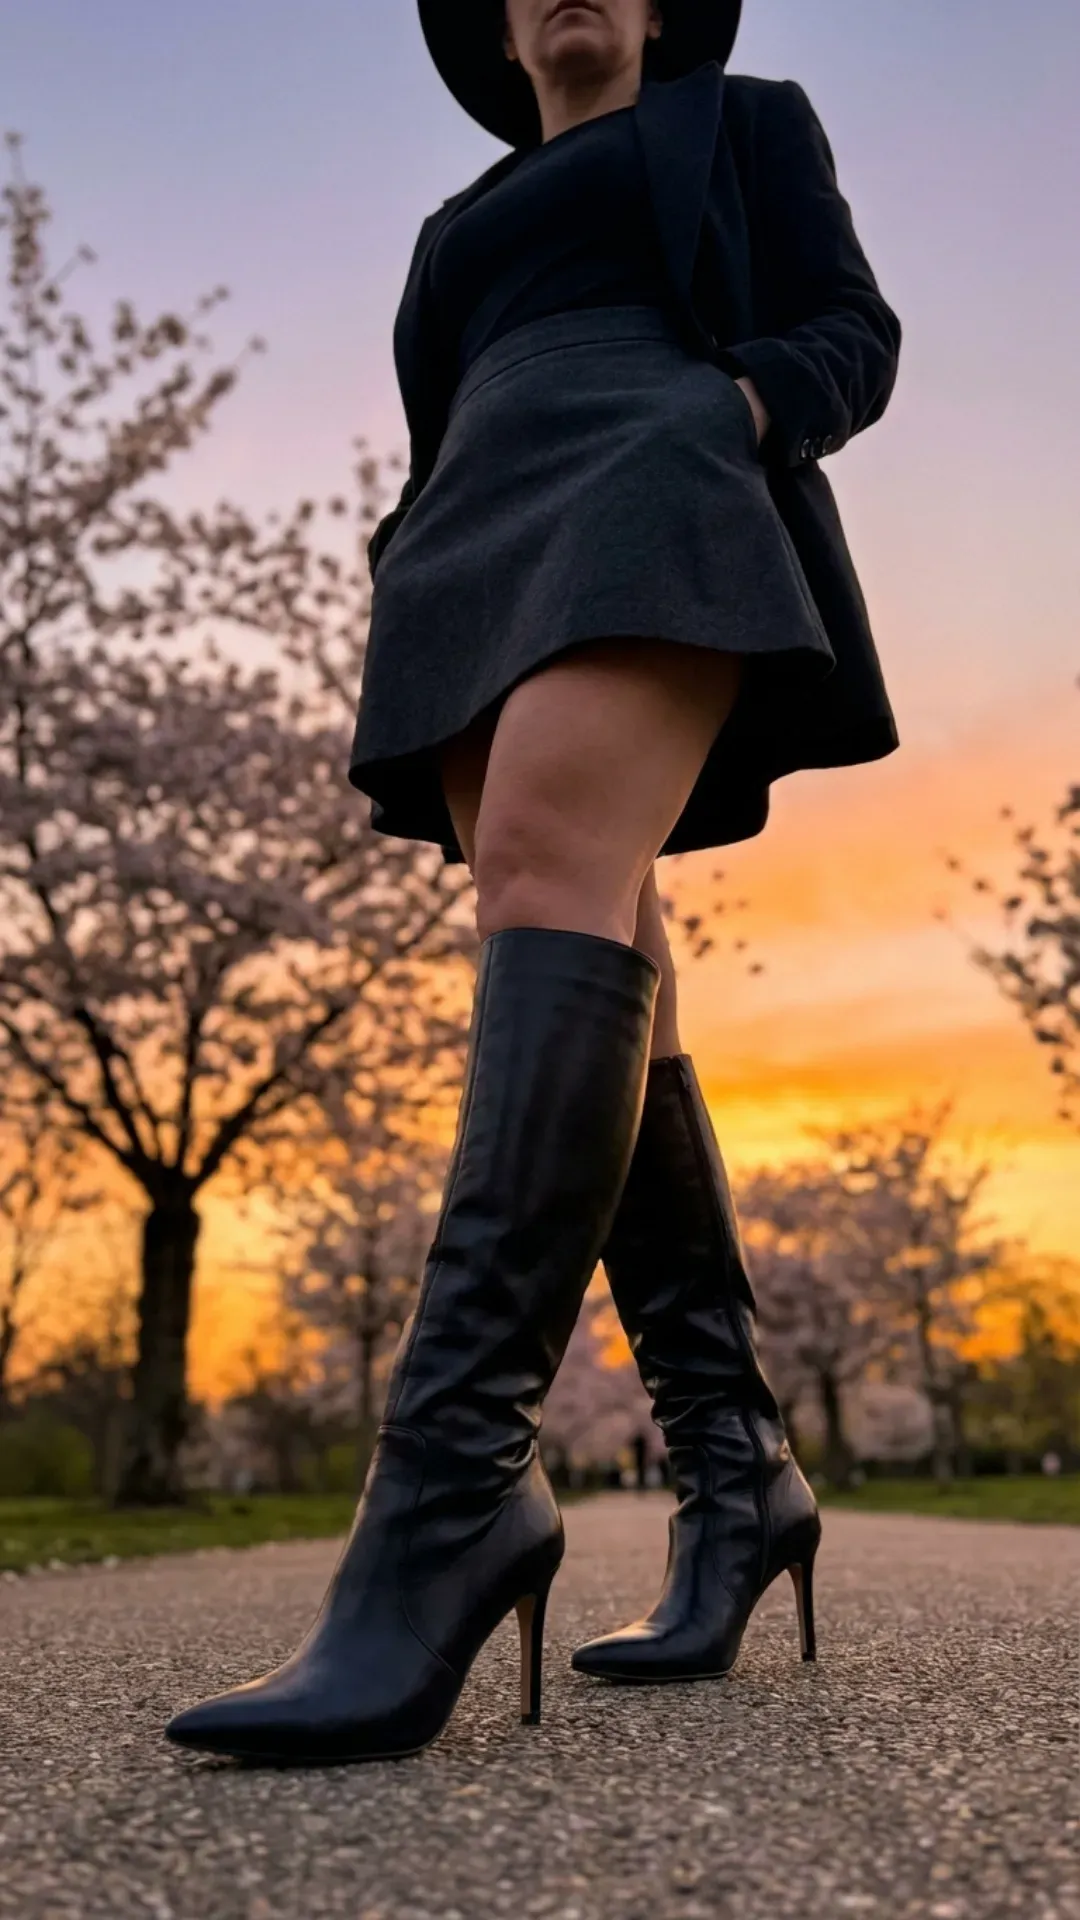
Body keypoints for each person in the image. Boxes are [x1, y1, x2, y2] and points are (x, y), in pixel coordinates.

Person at [166, 0, 900, 1762]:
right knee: (589, 925)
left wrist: (733, 406)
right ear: (499, 27)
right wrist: (408, 543)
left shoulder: (745, 120)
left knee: (548, 868)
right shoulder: (453, 229)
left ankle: (447, 1501)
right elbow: (440, 408)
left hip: (657, 473)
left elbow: (854, 335)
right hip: (478, 531)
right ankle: (740, 1478)